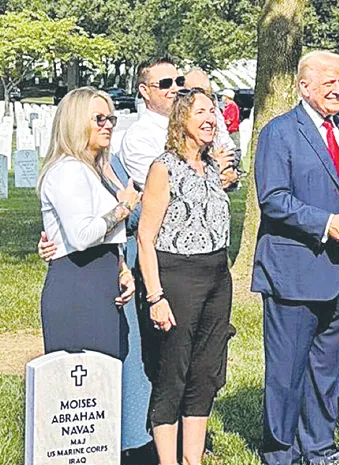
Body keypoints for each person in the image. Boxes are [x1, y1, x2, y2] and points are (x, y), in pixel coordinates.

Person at [251, 50, 339, 465]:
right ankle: (280, 452)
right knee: (286, 372)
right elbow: (273, 198)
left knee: (325, 370)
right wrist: (325, 223)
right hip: (295, 271)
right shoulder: (279, 132)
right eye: (328, 83)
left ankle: (317, 448)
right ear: (304, 87)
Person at [137, 87, 238, 465]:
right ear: (182, 120)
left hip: (216, 276)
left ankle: (192, 459)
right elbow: (145, 237)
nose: (212, 118)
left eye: (213, 111)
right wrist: (155, 296)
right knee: (173, 372)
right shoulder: (163, 168)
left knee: (205, 372)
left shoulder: (212, 167)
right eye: (202, 112)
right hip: (177, 277)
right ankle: (168, 460)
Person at [37, 87, 139, 361]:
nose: (108, 125)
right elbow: (82, 236)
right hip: (79, 290)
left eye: (111, 119)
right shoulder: (69, 170)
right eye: (99, 119)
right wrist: (125, 206)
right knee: (79, 392)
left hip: (99, 285)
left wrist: (121, 270)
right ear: (76, 122)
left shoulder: (93, 169)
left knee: (101, 389)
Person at [121, 57, 184, 187]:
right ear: (145, 91)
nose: (175, 89)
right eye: (165, 84)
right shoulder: (138, 138)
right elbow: (160, 189)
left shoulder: (192, 124)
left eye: (179, 81)